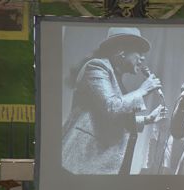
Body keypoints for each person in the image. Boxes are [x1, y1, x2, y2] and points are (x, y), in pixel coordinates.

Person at [62, 27, 166, 175]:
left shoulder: (116, 79)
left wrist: (149, 119)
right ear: (121, 52)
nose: (143, 58)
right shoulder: (97, 67)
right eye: (139, 52)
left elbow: (111, 120)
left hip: (99, 165)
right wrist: (143, 90)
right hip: (82, 163)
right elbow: (110, 107)